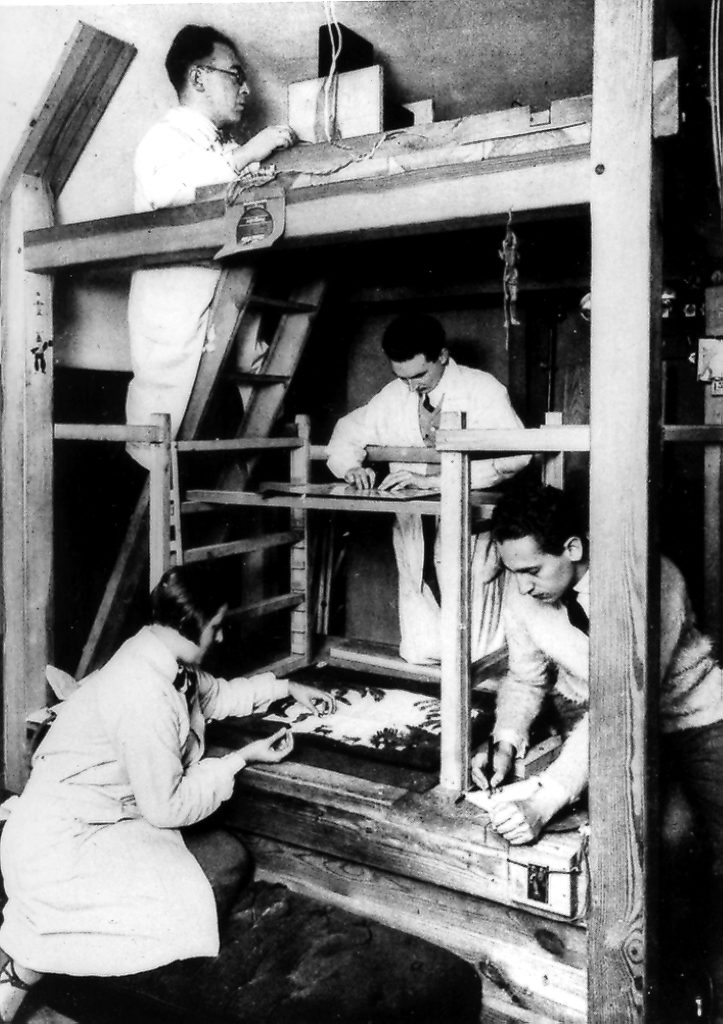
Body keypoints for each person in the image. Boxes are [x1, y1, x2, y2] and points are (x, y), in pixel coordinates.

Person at [0, 567, 334, 1022]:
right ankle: (29, 968)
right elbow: (166, 808)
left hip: (98, 819)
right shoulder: (143, 691)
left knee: (222, 859)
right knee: (217, 872)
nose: (218, 639)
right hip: (61, 847)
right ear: (190, 623)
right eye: (215, 627)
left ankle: (39, 954)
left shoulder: (158, 652)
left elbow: (215, 695)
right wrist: (243, 758)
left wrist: (285, 687)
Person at [471, 484, 723, 1021]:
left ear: (574, 548)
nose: (520, 585)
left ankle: (706, 987)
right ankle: (666, 988)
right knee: (668, 834)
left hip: (693, 717)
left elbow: (624, 703)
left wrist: (547, 799)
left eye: (532, 569)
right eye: (511, 571)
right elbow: (525, 677)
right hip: (601, 722)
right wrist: (506, 741)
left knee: (713, 850)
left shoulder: (649, 578)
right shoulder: (525, 594)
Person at [126, 25, 295, 468]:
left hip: (222, 313)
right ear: (198, 77)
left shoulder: (223, 147)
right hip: (180, 318)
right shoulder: (164, 138)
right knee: (171, 448)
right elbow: (169, 191)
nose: (247, 88)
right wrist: (245, 158)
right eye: (234, 75)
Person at [326, 313, 530, 665]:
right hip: (414, 524)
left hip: (469, 521)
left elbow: (517, 457)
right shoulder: (393, 396)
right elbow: (346, 432)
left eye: (419, 375)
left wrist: (435, 481)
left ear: (443, 356)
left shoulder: (482, 389)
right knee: (421, 642)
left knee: (476, 641)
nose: (411, 387)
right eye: (401, 377)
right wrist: (351, 468)